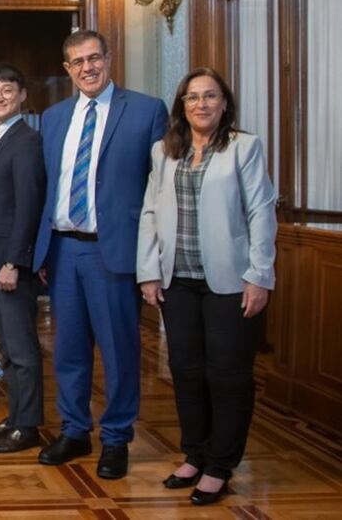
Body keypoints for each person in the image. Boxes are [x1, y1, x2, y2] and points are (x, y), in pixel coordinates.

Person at [33, 30, 168, 479]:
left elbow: (159, 190)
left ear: (108, 59)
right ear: (67, 69)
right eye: (77, 62)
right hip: (64, 250)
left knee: (119, 351)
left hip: (115, 253)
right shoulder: (52, 118)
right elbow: (45, 187)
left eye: (94, 58)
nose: (87, 68)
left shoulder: (146, 111)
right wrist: (41, 254)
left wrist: (153, 259)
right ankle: (74, 430)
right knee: (67, 350)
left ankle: (116, 437)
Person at [138, 68, 276, 505]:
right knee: (187, 372)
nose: (201, 104)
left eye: (210, 96)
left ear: (224, 103)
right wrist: (148, 271)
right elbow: (149, 212)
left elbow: (261, 213)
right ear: (182, 104)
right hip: (178, 282)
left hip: (230, 282)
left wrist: (259, 275)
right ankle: (194, 454)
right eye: (193, 97)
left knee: (227, 375)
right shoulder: (164, 151)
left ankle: (220, 465)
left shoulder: (243, 147)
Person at [0, 63, 46, 454]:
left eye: (6, 91)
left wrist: (14, 262)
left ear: (21, 96)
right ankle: (15, 416)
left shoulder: (27, 141)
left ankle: (28, 426)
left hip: (10, 264)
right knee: (6, 347)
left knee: (22, 348)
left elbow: (28, 208)